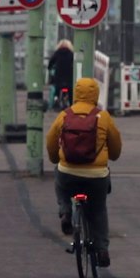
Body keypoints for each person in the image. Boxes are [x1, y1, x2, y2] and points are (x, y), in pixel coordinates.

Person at [45, 77, 123, 266]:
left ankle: (65, 211)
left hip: (68, 172)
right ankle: (103, 250)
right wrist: (110, 156)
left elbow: (50, 140)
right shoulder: (103, 117)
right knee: (98, 209)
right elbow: (116, 148)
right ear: (95, 94)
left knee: (60, 181)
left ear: (76, 93)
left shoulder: (64, 115)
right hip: (96, 176)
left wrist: (56, 159)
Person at [47, 38, 76, 109]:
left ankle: (56, 100)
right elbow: (75, 63)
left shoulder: (57, 53)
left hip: (59, 76)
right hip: (69, 76)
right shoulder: (71, 54)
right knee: (70, 91)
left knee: (57, 89)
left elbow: (51, 62)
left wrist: (50, 68)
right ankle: (72, 104)